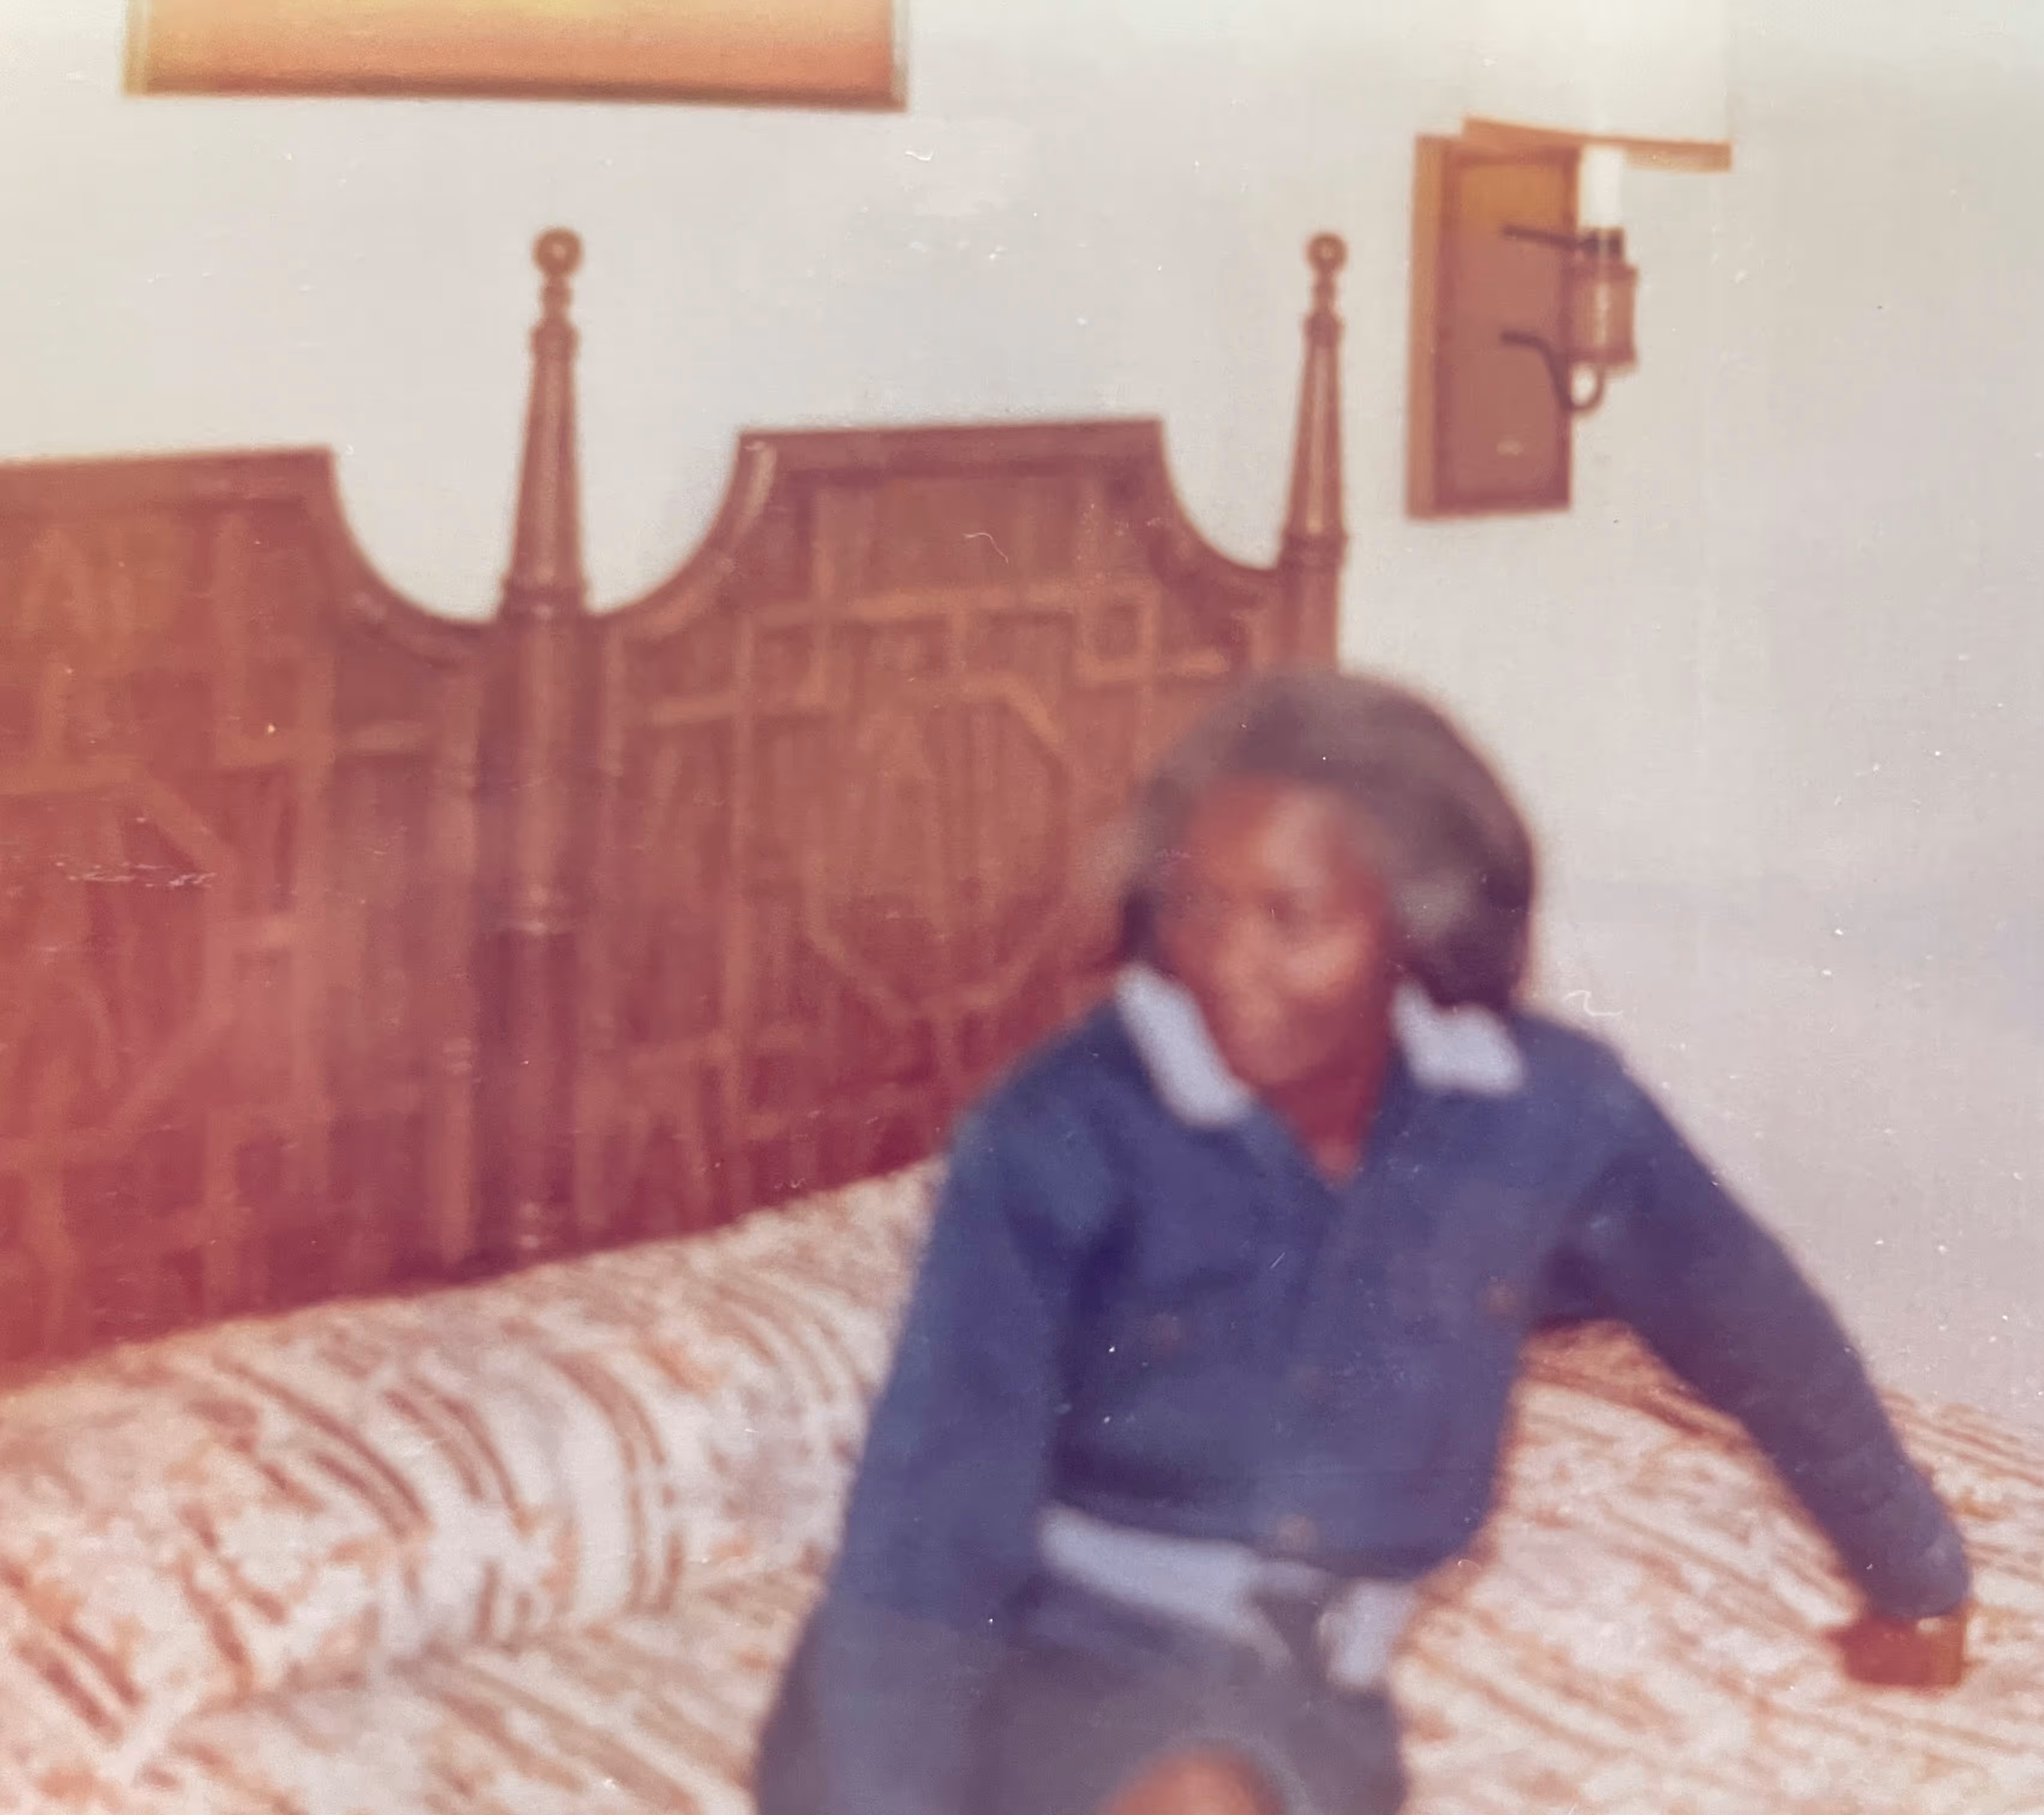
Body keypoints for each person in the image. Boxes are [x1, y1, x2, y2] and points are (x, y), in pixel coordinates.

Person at [756, 669, 1973, 1815]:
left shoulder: (1549, 1115)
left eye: (1291, 918)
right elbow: (930, 1515)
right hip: (1039, 1646)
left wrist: (1917, 1577)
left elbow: (1761, 1333)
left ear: (1417, 924)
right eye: (1194, 907)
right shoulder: (1062, 1131)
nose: (1228, 965)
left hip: (1307, 1696)